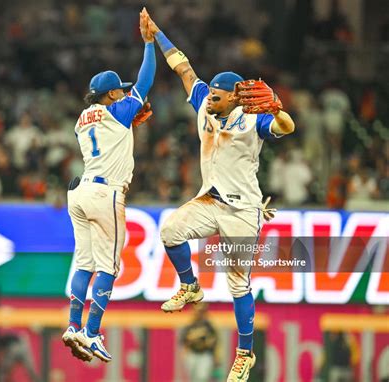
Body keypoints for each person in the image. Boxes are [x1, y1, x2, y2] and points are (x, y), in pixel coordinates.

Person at [145, 11, 295, 382]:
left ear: (233, 98)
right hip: (210, 201)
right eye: (209, 91)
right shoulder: (204, 104)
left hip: (243, 212)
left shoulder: (251, 118)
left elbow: (287, 127)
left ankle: (245, 354)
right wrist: (158, 33)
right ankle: (190, 286)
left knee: (237, 283)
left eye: (216, 93)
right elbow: (183, 68)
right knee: (170, 231)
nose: (208, 95)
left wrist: (277, 107)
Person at [61, 8, 156, 363]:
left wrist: (128, 121)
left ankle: (73, 325)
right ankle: (91, 332)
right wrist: (148, 45)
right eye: (121, 92)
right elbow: (144, 83)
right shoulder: (118, 110)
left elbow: (114, 126)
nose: (126, 95)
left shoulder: (82, 118)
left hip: (80, 190)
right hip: (106, 193)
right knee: (108, 267)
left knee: (83, 263)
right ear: (112, 95)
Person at [181, 303, 219, 382]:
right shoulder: (190, 325)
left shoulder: (208, 325)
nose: (199, 313)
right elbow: (184, 340)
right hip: (192, 354)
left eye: (201, 311)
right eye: (197, 310)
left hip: (205, 354)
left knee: (202, 378)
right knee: (192, 378)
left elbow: (214, 341)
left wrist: (216, 356)